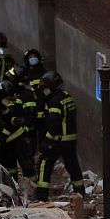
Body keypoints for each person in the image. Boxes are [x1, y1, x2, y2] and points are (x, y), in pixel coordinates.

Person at [36, 71, 85, 201]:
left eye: (45, 88)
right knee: (72, 166)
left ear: (50, 86)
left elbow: (54, 124)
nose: (44, 90)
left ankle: (41, 196)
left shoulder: (54, 101)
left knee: (45, 164)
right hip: (70, 139)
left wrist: (46, 141)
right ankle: (80, 193)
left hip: (58, 140)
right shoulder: (67, 97)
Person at [1, 69, 37, 181]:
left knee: (26, 163)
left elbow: (28, 116)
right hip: (11, 138)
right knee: (11, 165)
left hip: (20, 137)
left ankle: (34, 188)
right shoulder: (14, 96)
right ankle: (14, 187)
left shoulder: (24, 95)